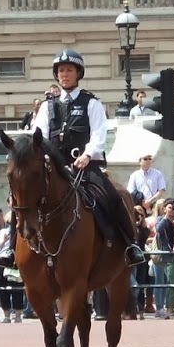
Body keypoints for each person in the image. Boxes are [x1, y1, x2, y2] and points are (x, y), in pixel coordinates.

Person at [30, 49, 145, 266]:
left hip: (84, 167)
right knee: (22, 199)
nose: (64, 74)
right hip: (56, 169)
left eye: (69, 70)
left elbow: (99, 134)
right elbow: (40, 137)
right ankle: (11, 250)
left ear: (78, 73)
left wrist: (87, 155)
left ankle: (131, 245)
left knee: (113, 195)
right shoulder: (47, 106)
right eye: (61, 70)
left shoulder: (91, 103)